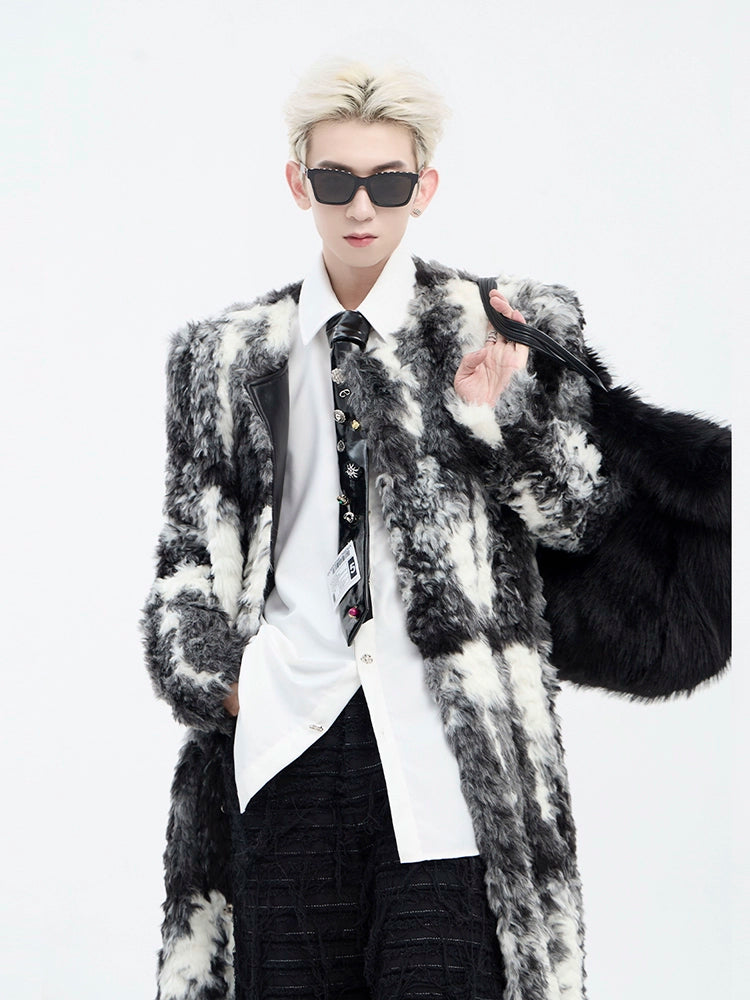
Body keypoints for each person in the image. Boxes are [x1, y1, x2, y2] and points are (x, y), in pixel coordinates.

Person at [141, 59, 731, 1000]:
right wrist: (229, 687)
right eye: (336, 180)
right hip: (287, 745)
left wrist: (500, 422)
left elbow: (580, 519)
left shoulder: (503, 326)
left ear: (425, 187)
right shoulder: (226, 358)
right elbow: (187, 559)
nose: (361, 206)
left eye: (388, 183)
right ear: (298, 182)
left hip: (453, 756)